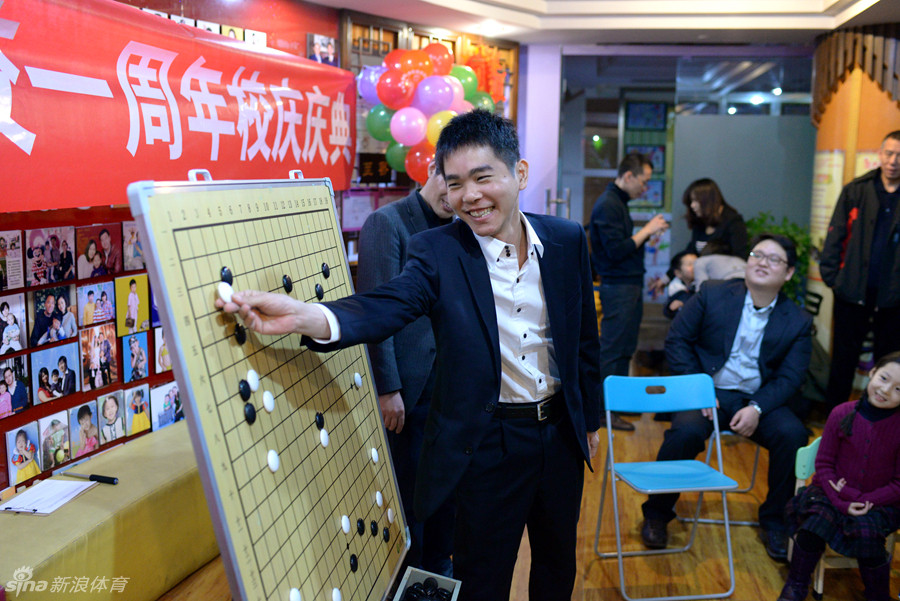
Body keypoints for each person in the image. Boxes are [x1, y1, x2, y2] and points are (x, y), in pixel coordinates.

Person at [218, 110, 601, 601]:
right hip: (489, 442)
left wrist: (589, 421)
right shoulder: (438, 251)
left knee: (556, 568)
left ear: (519, 173)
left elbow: (583, 341)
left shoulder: (566, 239)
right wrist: (305, 316)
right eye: (455, 183)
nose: (469, 196)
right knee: (482, 579)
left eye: (483, 177)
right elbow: (385, 305)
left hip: (560, 436)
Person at [639, 234, 812, 562]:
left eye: (773, 259)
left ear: (789, 272)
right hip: (707, 391)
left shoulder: (798, 321)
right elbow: (677, 340)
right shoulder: (713, 293)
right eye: (757, 255)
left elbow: (791, 377)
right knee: (685, 432)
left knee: (793, 435)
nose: (762, 262)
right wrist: (699, 388)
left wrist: (757, 407)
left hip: (757, 399)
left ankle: (775, 521)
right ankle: (657, 513)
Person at [357, 159, 455, 576]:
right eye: (450, 181)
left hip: (452, 388)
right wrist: (387, 387)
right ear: (431, 169)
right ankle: (407, 581)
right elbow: (376, 312)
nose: (456, 195)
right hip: (408, 390)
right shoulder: (387, 222)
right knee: (410, 499)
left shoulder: (461, 227)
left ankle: (438, 577)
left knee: (447, 496)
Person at [779, 352, 900, 601]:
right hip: (830, 493)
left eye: (898, 389)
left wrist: (865, 501)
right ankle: (796, 584)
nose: (886, 390)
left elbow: (898, 484)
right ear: (872, 372)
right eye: (884, 378)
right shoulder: (841, 413)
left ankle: (878, 595)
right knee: (812, 527)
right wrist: (843, 499)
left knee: (869, 537)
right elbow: (824, 464)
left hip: (878, 502)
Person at [819, 131, 900, 413]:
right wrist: (835, 280)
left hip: (893, 299)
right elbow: (835, 236)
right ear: (880, 154)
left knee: (890, 365)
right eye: (889, 153)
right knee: (842, 362)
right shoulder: (857, 189)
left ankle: (879, 425)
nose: (893, 161)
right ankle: (835, 421)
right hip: (851, 293)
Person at [589, 152, 669, 431]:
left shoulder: (618, 203)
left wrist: (646, 234)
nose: (645, 188)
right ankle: (603, 411)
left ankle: (617, 404)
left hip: (628, 284)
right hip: (618, 285)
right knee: (613, 349)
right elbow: (615, 251)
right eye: (644, 181)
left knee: (625, 347)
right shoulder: (608, 204)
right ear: (628, 176)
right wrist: (647, 230)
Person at [682, 178, 748, 257]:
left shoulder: (734, 222)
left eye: (696, 200)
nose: (692, 205)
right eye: (691, 201)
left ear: (708, 200)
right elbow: (690, 250)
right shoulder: (699, 222)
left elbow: (739, 257)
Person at [663, 250, 697, 319]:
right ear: (678, 273)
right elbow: (667, 310)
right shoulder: (676, 288)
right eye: (690, 264)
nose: (695, 267)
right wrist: (670, 308)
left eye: (697, 263)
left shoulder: (703, 285)